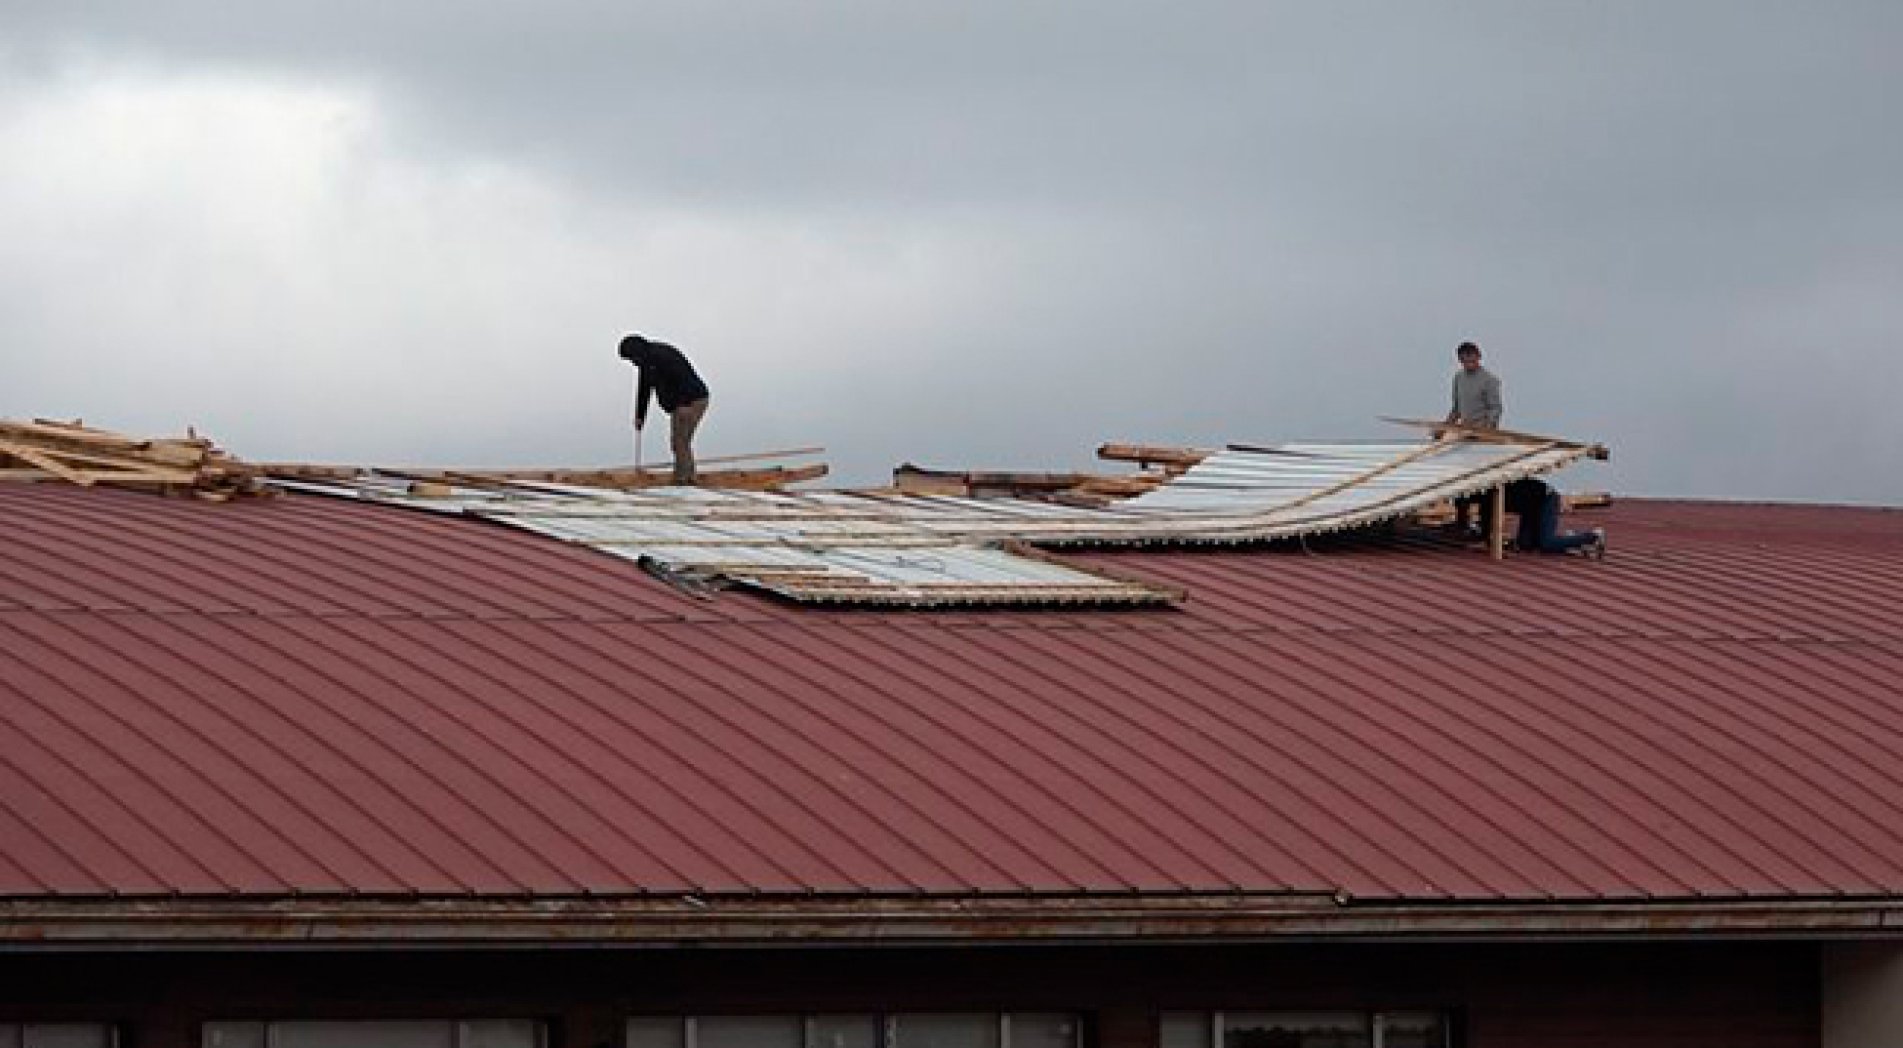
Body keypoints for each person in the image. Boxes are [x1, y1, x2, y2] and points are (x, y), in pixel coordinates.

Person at [618, 333, 710, 486]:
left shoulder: (663, 356)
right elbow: (644, 390)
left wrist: (684, 404)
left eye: (631, 358)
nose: (632, 363)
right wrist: (640, 416)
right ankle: (686, 477)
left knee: (680, 441)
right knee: (680, 442)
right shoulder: (647, 363)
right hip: (683, 403)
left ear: (637, 352)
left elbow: (682, 377)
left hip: (692, 400)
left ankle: (684, 480)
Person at [1443, 341, 1504, 535]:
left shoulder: (1490, 380)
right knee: (1458, 475)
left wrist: (1484, 431)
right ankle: (1461, 519)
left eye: (1471, 360)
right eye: (1463, 361)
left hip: (1482, 435)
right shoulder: (1458, 378)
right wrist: (1444, 427)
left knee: (1480, 479)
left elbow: (1495, 410)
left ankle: (1485, 524)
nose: (1468, 364)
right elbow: (1456, 408)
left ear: (1478, 357)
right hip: (1463, 432)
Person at [1504, 477, 1606, 558]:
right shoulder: (1494, 494)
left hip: (1545, 499)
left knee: (1546, 543)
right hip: (1529, 506)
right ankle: (1570, 541)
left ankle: (1594, 537)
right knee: (1524, 545)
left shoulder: (1495, 493)